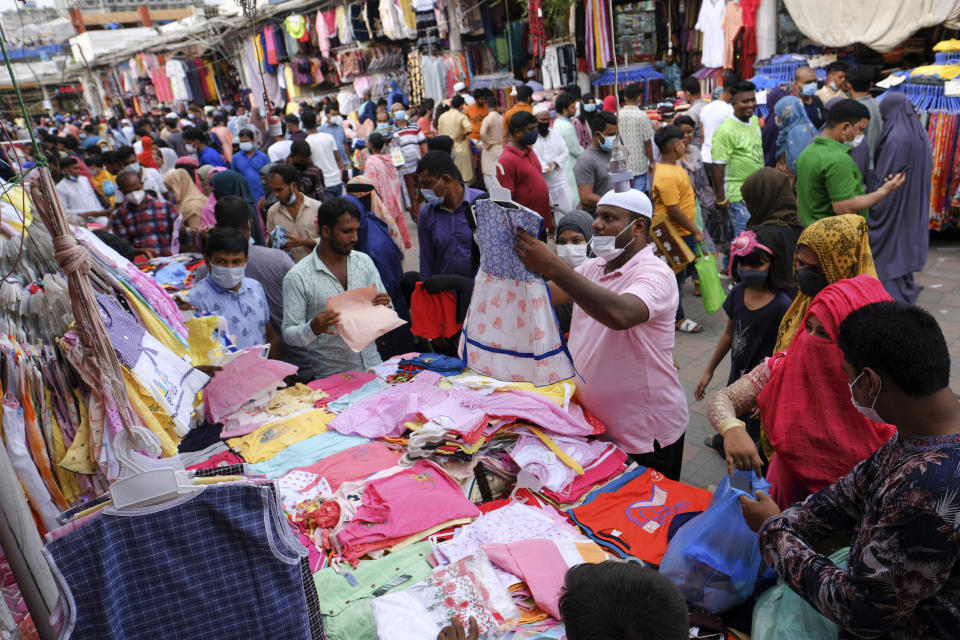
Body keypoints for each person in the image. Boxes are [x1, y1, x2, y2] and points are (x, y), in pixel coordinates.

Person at [739, 301, 960, 639]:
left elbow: (860, 611)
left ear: (870, 381)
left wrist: (773, 532)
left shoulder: (929, 492)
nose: (849, 389)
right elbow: (853, 490)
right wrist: (788, 521)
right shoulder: (921, 428)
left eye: (848, 376)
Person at [514, 189, 688, 480]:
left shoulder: (656, 274)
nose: (596, 224)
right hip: (595, 428)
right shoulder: (594, 267)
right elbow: (545, 296)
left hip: (644, 434)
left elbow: (620, 314)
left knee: (649, 516)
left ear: (638, 227)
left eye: (608, 218)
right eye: (596, 216)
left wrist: (553, 265)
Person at [708, 274, 896, 508]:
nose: (810, 340)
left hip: (847, 513)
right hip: (783, 493)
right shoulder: (785, 365)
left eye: (825, 333)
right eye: (808, 327)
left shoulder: (878, 391)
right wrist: (732, 429)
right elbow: (722, 399)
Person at [697, 227, 793, 456]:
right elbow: (729, 334)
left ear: (773, 264)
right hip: (737, 376)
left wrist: (769, 391)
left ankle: (745, 471)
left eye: (756, 265)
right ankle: (723, 444)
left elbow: (784, 353)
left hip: (761, 384)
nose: (748, 270)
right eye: (743, 264)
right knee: (731, 415)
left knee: (752, 433)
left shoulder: (782, 305)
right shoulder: (737, 293)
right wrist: (709, 370)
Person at [282, 197, 391, 379]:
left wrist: (384, 306)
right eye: (347, 231)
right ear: (326, 230)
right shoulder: (298, 277)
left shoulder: (363, 262)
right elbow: (288, 334)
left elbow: (387, 310)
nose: (355, 238)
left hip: (374, 368)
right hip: (333, 378)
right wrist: (313, 328)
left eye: (357, 231)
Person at [866, 93, 933, 304]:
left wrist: (872, 185)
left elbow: (887, 174)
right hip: (912, 200)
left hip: (894, 202)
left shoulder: (897, 137)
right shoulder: (919, 132)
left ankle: (890, 294)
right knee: (903, 244)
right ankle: (903, 288)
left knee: (889, 248)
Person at [794, 99, 905, 227]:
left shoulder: (808, 152)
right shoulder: (837, 160)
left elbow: (799, 200)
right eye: (860, 129)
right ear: (845, 127)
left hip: (809, 232)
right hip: (831, 238)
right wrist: (884, 191)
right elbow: (844, 207)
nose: (862, 135)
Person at [188, 226, 278, 352]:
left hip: (260, 369)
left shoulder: (255, 287)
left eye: (236, 262)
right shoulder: (195, 300)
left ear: (246, 260)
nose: (229, 268)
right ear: (208, 262)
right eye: (222, 262)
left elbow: (268, 333)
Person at [652, 125, 705, 334]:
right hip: (676, 234)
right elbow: (673, 210)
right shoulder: (665, 174)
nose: (685, 144)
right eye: (682, 142)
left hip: (682, 233)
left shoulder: (673, 166)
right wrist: (696, 231)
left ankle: (673, 313)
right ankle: (677, 318)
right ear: (676, 145)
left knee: (681, 275)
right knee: (675, 278)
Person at [416, 151, 485, 280]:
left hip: (479, 291)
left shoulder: (481, 203)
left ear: (446, 180)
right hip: (444, 294)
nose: (423, 191)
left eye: (426, 184)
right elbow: (426, 263)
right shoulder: (426, 214)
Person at [675, 114, 724, 259]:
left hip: (701, 201)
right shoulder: (673, 154)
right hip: (684, 203)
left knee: (700, 233)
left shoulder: (695, 151)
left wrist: (709, 197)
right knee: (696, 235)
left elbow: (702, 177)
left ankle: (698, 275)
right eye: (682, 132)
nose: (686, 136)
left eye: (689, 132)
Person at [496, 111, 553, 228]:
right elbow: (507, 201)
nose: (535, 132)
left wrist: (548, 220)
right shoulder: (507, 160)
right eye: (531, 129)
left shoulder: (529, 151)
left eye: (535, 128)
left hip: (540, 221)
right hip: (525, 227)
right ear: (517, 132)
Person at [741, 167, 804, 265]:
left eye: (748, 201)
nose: (748, 206)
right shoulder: (801, 229)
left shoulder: (758, 239)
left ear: (760, 201)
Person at [111, 170, 178, 257]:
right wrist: (140, 251)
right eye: (129, 192)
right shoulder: (118, 216)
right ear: (121, 191)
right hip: (143, 265)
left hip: (170, 260)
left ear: (142, 185)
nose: (134, 194)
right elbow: (124, 248)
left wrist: (182, 231)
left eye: (137, 189)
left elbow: (179, 238)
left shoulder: (165, 206)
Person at [266, 164, 322, 262]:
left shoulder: (317, 208)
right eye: (273, 190)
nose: (275, 195)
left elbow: (330, 241)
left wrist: (303, 242)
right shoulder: (272, 212)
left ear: (293, 185)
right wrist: (272, 240)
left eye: (279, 190)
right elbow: (270, 246)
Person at [363, 132, 410, 249]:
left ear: (370, 144)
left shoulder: (371, 161)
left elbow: (369, 185)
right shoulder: (388, 159)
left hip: (381, 204)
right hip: (393, 203)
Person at [531, 104, 575, 215]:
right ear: (535, 120)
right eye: (542, 120)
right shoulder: (533, 138)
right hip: (544, 182)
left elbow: (565, 151)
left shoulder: (556, 134)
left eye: (547, 119)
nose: (545, 122)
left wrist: (555, 163)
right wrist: (544, 167)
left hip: (560, 180)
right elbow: (534, 156)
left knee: (567, 209)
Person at [574, 111, 617, 213]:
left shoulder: (613, 152)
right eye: (611, 135)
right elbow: (586, 197)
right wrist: (614, 204)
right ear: (598, 134)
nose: (614, 138)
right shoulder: (586, 160)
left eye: (616, 134)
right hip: (598, 217)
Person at [618, 83, 655, 193]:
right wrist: (652, 161)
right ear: (639, 98)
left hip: (621, 164)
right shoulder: (642, 116)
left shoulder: (616, 115)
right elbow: (647, 142)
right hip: (639, 164)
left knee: (623, 196)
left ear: (624, 97)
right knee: (639, 195)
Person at [390, 108, 427, 219]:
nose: (399, 111)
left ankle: (415, 208)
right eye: (396, 110)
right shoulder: (392, 132)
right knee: (410, 193)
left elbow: (422, 143)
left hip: (418, 164)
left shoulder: (415, 126)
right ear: (393, 114)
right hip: (404, 168)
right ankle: (417, 216)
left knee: (423, 189)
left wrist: (427, 158)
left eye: (400, 109)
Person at [846, 66, 882, 171]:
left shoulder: (849, 110)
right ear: (871, 84)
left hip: (858, 165)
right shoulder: (880, 105)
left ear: (848, 85)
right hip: (879, 163)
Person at [304, 110, 345, 199]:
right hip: (337, 180)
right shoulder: (328, 137)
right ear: (316, 121)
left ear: (303, 124)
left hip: (324, 184)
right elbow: (338, 159)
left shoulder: (307, 142)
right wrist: (344, 176)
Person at [56, 156, 108, 225]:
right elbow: (64, 211)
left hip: (96, 216)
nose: (78, 171)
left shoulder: (84, 180)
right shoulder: (60, 188)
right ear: (66, 170)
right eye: (75, 168)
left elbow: (94, 198)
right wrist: (87, 213)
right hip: (77, 220)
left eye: (79, 168)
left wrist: (99, 212)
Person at [698, 75, 735, 172]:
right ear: (729, 94)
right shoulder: (730, 110)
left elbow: (702, 136)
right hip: (721, 159)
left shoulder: (705, 108)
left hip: (705, 156)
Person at [552, 93, 583, 207]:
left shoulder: (558, 122)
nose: (575, 109)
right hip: (570, 164)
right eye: (572, 107)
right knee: (573, 197)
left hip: (564, 163)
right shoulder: (567, 126)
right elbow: (575, 149)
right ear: (565, 109)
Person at [773, 95, 817, 176]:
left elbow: (799, 164)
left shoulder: (798, 132)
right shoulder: (791, 129)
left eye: (777, 115)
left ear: (786, 114)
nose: (776, 118)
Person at [437, 95, 474, 185]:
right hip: (461, 148)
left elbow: (439, 133)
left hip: (448, 150)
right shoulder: (461, 116)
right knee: (464, 178)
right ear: (461, 106)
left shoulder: (442, 116)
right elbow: (469, 128)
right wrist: (463, 136)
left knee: (452, 178)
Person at [232, 128, 271, 203]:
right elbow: (234, 177)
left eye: (246, 141)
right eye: (241, 142)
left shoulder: (263, 157)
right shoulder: (235, 158)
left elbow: (269, 176)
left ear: (253, 141)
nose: (243, 143)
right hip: (244, 196)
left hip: (261, 195)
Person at [163, 168, 207, 233]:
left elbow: (196, 231)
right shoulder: (196, 197)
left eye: (171, 189)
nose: (170, 194)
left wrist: (176, 229)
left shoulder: (191, 205)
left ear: (178, 187)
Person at [478, 93, 505, 194]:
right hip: (500, 148)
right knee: (500, 175)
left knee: (490, 176)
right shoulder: (502, 117)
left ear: (486, 106)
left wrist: (487, 143)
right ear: (497, 106)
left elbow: (482, 133)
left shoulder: (488, 119)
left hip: (490, 148)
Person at [792, 65, 826, 129]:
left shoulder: (817, 100)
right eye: (808, 82)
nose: (813, 85)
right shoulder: (793, 105)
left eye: (814, 81)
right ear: (796, 84)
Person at [681, 76, 707, 148]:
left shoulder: (692, 111)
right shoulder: (707, 104)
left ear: (687, 93)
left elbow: (687, 134)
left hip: (697, 147)